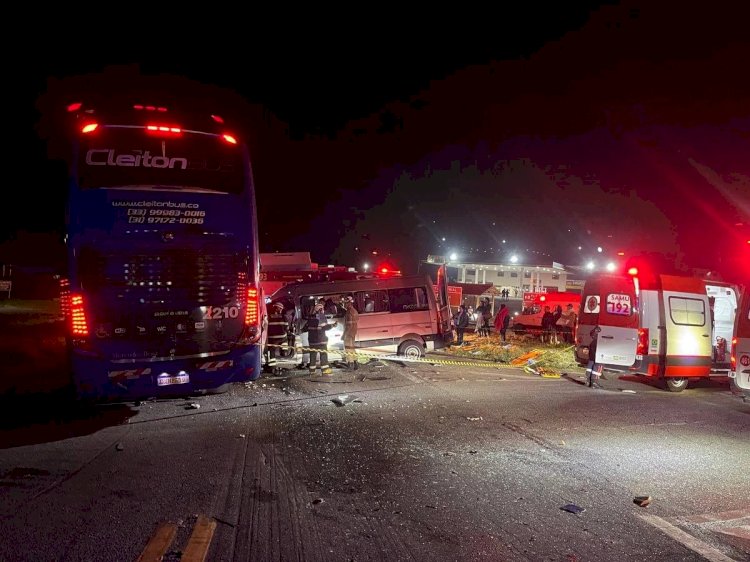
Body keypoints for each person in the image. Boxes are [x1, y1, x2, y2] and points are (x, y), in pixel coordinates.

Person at [306, 301, 336, 375]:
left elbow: (306, 328)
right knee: (323, 356)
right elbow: (325, 327)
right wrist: (333, 325)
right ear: (320, 309)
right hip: (321, 341)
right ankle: (325, 371)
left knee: (312, 356)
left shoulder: (310, 318)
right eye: (322, 309)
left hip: (312, 342)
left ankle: (312, 372)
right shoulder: (321, 317)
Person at [265, 301, 288, 368]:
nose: (281, 310)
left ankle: (273, 367)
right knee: (286, 339)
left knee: (272, 351)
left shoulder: (268, 316)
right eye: (280, 309)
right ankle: (284, 351)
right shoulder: (283, 316)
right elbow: (287, 327)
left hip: (272, 338)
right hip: (282, 337)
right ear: (277, 308)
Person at [295, 298, 314, 370]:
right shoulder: (308, 311)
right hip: (308, 332)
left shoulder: (308, 313)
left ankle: (306, 362)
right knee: (306, 347)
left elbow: (308, 322)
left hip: (308, 332)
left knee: (306, 347)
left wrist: (301, 330)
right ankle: (306, 362)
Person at [342, 295, 359, 369]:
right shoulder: (354, 311)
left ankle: (350, 364)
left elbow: (349, 325)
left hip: (349, 333)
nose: (344, 305)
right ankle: (355, 363)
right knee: (352, 347)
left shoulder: (349, 312)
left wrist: (344, 335)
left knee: (348, 348)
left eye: (345, 303)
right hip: (353, 332)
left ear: (348, 303)